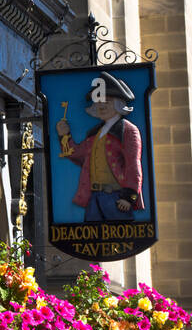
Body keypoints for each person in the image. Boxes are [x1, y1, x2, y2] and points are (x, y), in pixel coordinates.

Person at [56, 72, 143, 221]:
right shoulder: (95, 133)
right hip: (94, 198)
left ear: (118, 104)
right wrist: (65, 136)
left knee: (120, 240)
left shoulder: (128, 130)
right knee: (93, 240)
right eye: (98, 101)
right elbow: (76, 154)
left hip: (117, 198)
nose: (101, 106)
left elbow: (133, 165)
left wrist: (129, 197)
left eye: (107, 101)